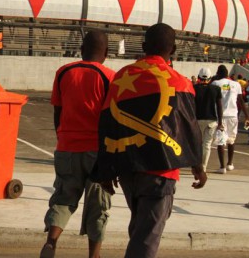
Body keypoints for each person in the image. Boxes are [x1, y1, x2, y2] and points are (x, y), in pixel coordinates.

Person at [94, 23, 207, 258]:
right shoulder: (180, 82)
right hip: (160, 172)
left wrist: (105, 169)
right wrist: (198, 165)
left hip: (128, 169)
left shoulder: (122, 77)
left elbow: (107, 123)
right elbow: (190, 128)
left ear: (144, 46)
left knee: (139, 228)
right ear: (174, 49)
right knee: (147, 235)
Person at [40, 30, 115, 258]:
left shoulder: (63, 72)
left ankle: (51, 242)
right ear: (107, 53)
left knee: (63, 198)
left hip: (67, 147)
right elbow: (111, 119)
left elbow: (57, 111)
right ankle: (94, 255)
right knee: (98, 206)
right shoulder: (110, 77)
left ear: (81, 50)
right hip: (97, 153)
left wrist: (62, 138)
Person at [211, 65, 249, 173]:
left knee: (220, 141)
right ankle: (230, 164)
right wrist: (247, 116)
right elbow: (241, 101)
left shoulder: (215, 84)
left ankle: (222, 167)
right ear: (228, 74)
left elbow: (212, 100)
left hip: (220, 116)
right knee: (231, 141)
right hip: (233, 115)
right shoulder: (236, 84)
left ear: (218, 73)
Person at [193, 67, 223, 172]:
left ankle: (196, 165)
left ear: (198, 77)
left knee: (197, 144)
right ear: (210, 78)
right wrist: (221, 122)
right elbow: (219, 106)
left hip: (197, 120)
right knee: (207, 144)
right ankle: (203, 167)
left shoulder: (194, 88)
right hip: (212, 120)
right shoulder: (216, 89)